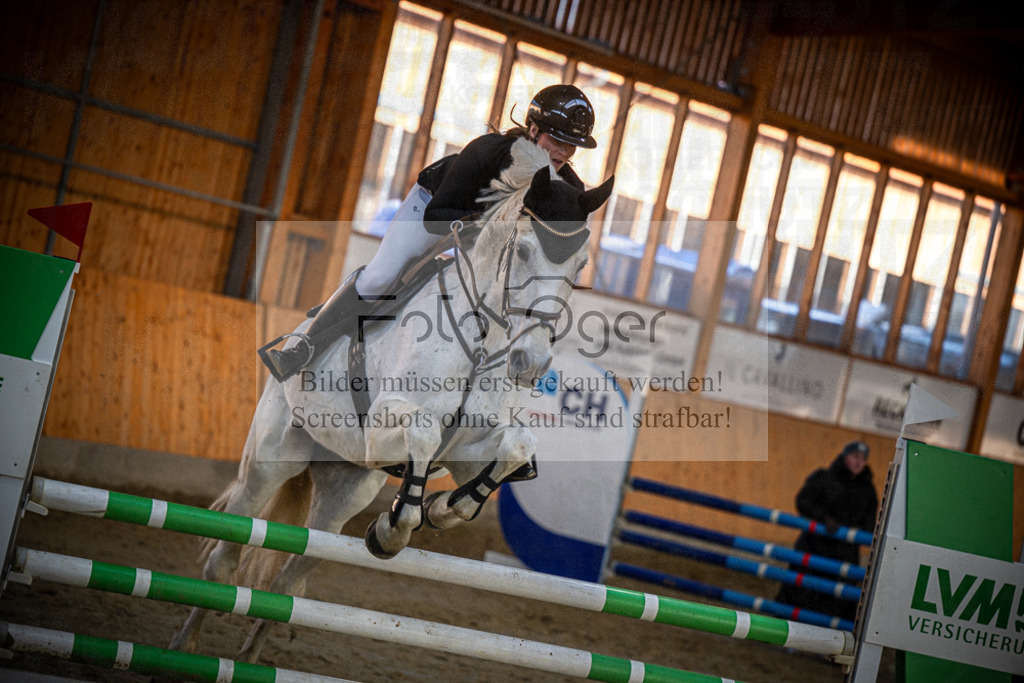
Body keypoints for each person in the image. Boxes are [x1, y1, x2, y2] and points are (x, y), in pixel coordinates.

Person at [261, 84, 599, 381]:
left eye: (573, 147)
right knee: (381, 278)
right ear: (533, 128)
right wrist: (486, 225)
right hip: (434, 206)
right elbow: (437, 218)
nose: (565, 153)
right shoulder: (489, 151)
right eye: (557, 141)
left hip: (480, 240)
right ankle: (303, 347)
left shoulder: (567, 185)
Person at [775, 440, 878, 623]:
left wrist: (860, 532)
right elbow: (802, 501)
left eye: (863, 459)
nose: (859, 462)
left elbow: (871, 521)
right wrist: (823, 517)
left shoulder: (868, 490)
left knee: (838, 599)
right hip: (813, 547)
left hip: (844, 555)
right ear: (845, 456)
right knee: (800, 588)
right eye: (855, 456)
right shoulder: (823, 477)